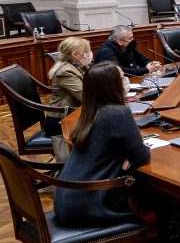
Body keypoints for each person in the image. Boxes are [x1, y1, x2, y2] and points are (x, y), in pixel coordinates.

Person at [53, 62, 151, 227]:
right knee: (157, 197)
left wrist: (128, 154)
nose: (126, 81)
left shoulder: (89, 111)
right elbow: (142, 156)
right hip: (91, 205)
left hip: (67, 201)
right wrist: (134, 153)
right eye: (122, 78)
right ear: (112, 86)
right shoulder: (117, 113)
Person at [43, 37, 92, 136]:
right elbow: (86, 97)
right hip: (60, 122)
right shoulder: (66, 71)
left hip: (74, 115)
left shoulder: (77, 66)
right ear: (75, 55)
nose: (90, 54)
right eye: (86, 51)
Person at [94, 25, 159, 77]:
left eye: (132, 37)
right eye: (130, 38)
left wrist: (150, 64)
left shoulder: (127, 46)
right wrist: (146, 70)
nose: (132, 40)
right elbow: (119, 71)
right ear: (120, 41)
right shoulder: (106, 52)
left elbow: (142, 59)